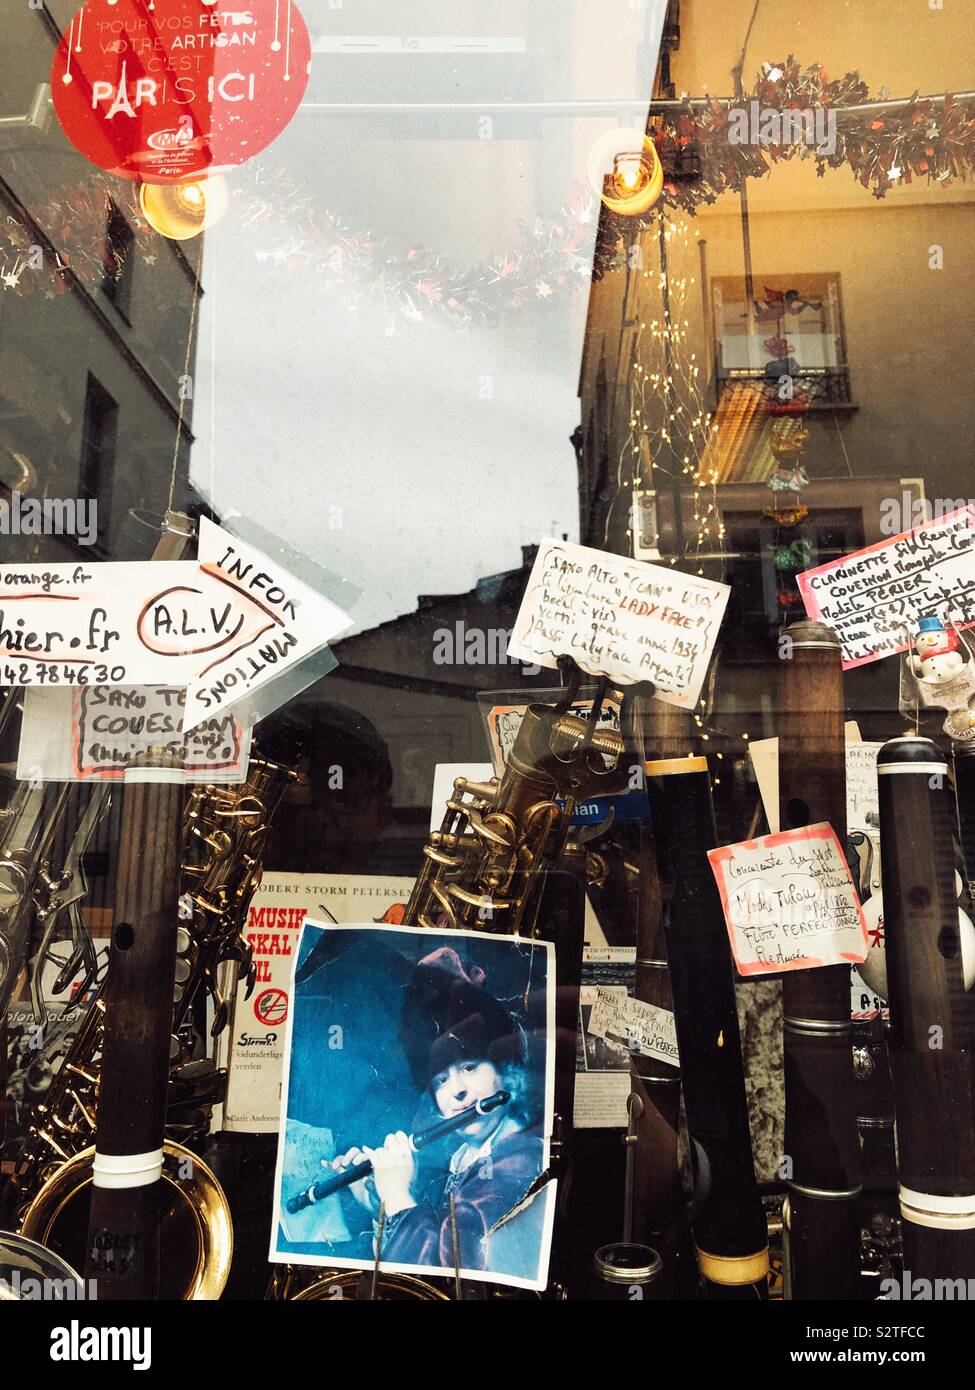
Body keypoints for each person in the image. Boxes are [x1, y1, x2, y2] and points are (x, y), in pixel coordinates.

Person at [321, 946, 546, 1274]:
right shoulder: (464, 1157)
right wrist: (378, 1198)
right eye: (441, 1080)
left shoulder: (520, 1158)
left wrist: (397, 1196)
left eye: (469, 1067)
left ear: (504, 1070)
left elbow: (452, 1274)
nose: (457, 1090)